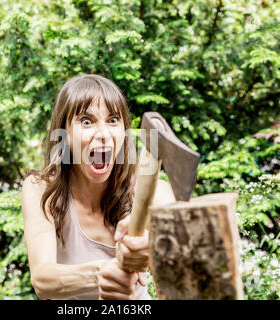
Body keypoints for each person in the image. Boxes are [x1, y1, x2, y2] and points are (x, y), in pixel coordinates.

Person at [21, 74, 176, 300]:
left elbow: (184, 273)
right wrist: (103, 272)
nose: (103, 134)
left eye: (113, 120)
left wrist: (155, 250)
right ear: (64, 133)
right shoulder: (42, 189)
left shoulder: (156, 193)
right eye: (86, 121)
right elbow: (42, 279)